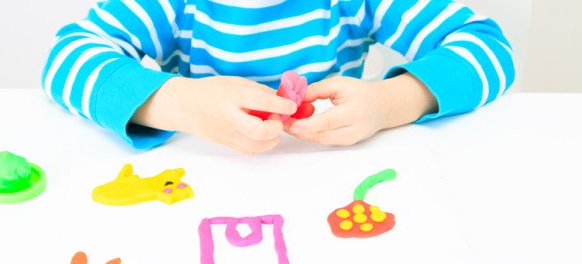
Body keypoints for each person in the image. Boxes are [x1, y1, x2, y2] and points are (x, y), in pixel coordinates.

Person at [42, 0, 515, 154]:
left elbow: (488, 48)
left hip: (330, 180)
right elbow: (67, 58)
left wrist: (390, 101)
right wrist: (178, 103)